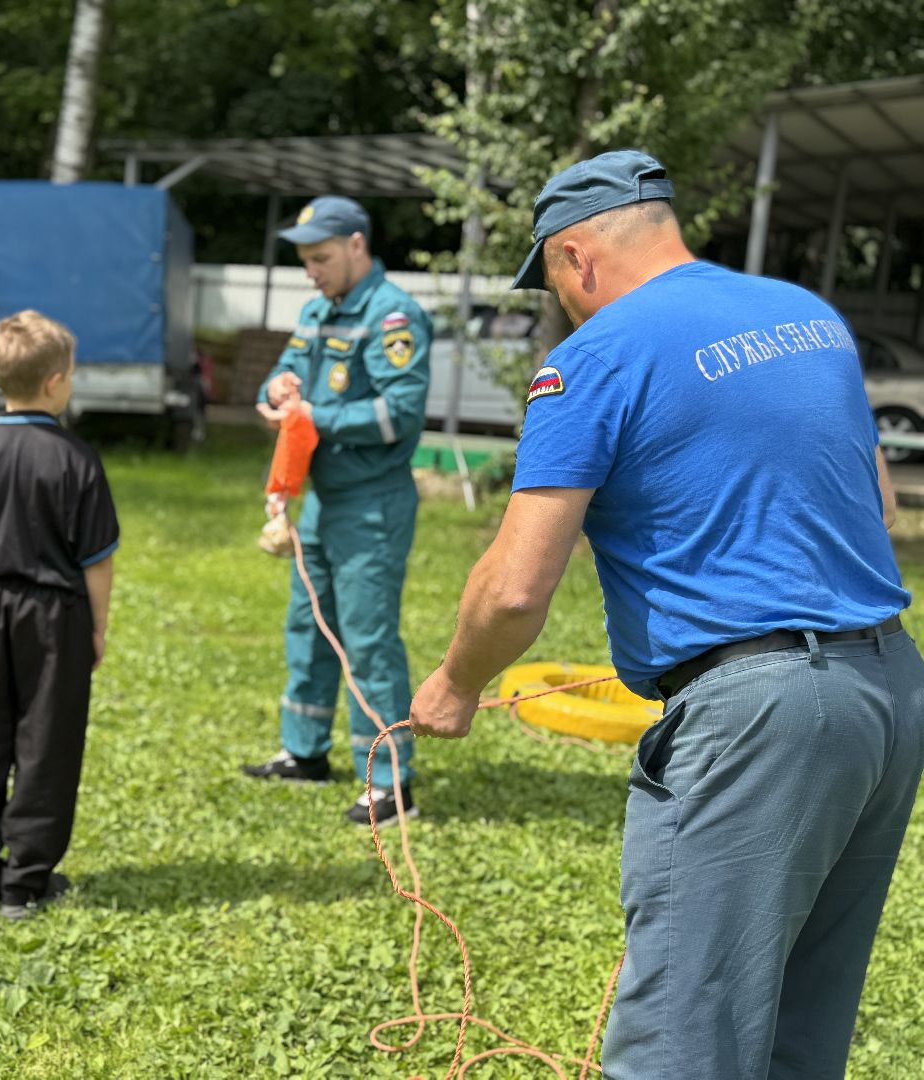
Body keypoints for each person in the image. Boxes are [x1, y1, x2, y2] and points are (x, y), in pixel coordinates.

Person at [409, 149, 923, 1078]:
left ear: (578, 259)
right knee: (802, 1027)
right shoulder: (807, 318)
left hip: (760, 718)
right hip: (888, 693)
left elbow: (518, 586)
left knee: (685, 1039)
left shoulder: (593, 357)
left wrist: (453, 685)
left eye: (555, 283)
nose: (562, 303)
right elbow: (881, 507)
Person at [241, 195, 432, 826]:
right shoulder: (318, 311)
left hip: (371, 503)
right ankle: (305, 752)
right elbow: (286, 367)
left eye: (321, 258)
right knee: (309, 623)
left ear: (357, 245)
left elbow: (399, 413)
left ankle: (390, 782)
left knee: (368, 639)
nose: (311, 271)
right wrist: (279, 389)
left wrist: (313, 417)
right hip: (321, 501)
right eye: (304, 260)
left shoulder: (392, 317)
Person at [0, 310, 118, 920]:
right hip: (55, 616)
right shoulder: (76, 460)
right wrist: (96, 627)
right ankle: (26, 881)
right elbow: (96, 561)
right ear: (53, 383)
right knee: (46, 744)